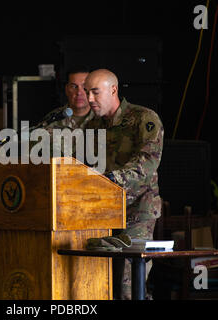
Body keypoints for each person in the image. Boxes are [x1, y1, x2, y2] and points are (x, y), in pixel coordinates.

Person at [84, 69, 164, 300]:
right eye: (87, 92)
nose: (89, 99)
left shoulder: (144, 118)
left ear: (113, 90)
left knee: (128, 286)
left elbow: (147, 165)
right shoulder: (92, 127)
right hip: (102, 211)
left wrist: (109, 181)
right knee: (97, 282)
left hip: (138, 209)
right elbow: (84, 166)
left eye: (95, 92)